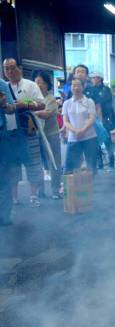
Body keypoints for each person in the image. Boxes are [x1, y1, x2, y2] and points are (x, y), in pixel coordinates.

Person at [3, 58, 46, 207]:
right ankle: (14, 197)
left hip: (29, 130)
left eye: (12, 68)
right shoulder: (3, 87)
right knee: (12, 164)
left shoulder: (30, 85)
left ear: (19, 68)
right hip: (9, 133)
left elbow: (42, 104)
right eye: (6, 69)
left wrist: (25, 104)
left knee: (33, 162)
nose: (10, 71)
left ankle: (33, 195)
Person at [33, 72, 62, 199]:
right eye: (36, 82)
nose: (39, 85)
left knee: (54, 162)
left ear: (47, 84)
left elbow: (47, 114)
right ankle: (40, 190)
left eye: (41, 82)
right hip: (37, 134)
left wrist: (32, 112)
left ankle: (55, 190)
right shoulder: (33, 98)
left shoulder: (51, 99)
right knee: (38, 163)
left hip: (51, 135)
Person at [62, 78, 98, 174]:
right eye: (74, 85)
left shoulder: (89, 101)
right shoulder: (67, 103)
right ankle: (71, 188)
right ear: (70, 87)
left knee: (91, 166)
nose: (76, 88)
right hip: (73, 138)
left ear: (83, 87)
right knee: (70, 167)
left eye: (78, 85)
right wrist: (75, 131)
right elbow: (65, 121)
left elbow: (92, 118)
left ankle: (90, 187)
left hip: (89, 137)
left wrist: (82, 130)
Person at [87, 72, 115, 172]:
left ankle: (111, 164)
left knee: (107, 141)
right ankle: (100, 165)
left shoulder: (106, 89)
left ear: (99, 78)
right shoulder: (89, 89)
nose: (93, 79)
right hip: (93, 119)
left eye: (94, 78)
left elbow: (100, 105)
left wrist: (102, 120)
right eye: (92, 78)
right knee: (96, 142)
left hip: (105, 119)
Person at [0, 77, 19, 225]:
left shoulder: (2, 84)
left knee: (3, 177)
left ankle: (4, 217)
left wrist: (4, 104)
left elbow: (12, 109)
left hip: (1, 135)